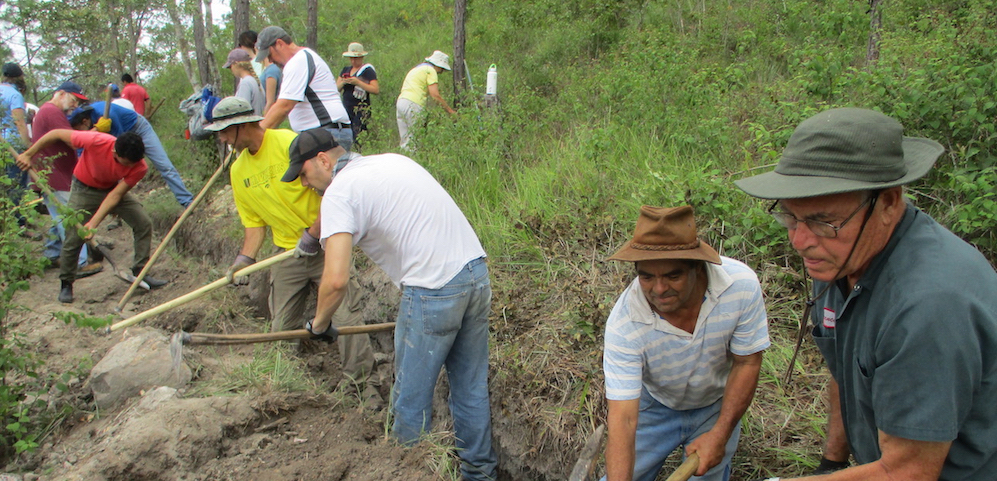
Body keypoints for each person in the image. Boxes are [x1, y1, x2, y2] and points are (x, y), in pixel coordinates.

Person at [734, 107, 997, 481]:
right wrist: (832, 462)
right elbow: (845, 368)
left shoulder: (928, 306)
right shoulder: (840, 257)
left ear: (888, 202)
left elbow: (909, 472)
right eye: (790, 216)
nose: (800, 241)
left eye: (823, 221)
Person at [283, 128, 497, 480]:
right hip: (475, 274)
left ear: (323, 160)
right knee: (470, 389)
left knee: (409, 401)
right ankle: (480, 475)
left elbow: (336, 280)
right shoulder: (390, 161)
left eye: (304, 174)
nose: (305, 184)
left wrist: (318, 324)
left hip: (433, 290)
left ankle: (410, 472)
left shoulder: (338, 193)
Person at [203, 97, 379, 401]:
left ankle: (362, 387)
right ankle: (284, 383)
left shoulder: (291, 145)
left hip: (327, 244)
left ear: (241, 125)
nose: (220, 138)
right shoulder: (238, 170)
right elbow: (254, 224)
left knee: (347, 317)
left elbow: (335, 191)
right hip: (288, 254)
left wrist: (313, 235)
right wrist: (244, 258)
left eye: (223, 131)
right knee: (281, 326)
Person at [601, 205, 770, 481]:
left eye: (672, 276)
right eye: (646, 277)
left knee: (706, 474)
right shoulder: (625, 324)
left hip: (715, 403)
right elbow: (624, 419)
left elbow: (747, 362)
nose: (658, 289)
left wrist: (720, 432)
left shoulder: (740, 286)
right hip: (654, 406)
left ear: (697, 267)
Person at [17, 129, 168, 303]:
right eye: (124, 163)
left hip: (111, 189)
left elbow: (115, 196)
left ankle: (141, 271)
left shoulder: (139, 167)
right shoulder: (96, 141)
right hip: (84, 189)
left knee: (143, 223)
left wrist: (93, 223)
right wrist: (28, 154)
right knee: (73, 236)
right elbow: (55, 134)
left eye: (131, 164)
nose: (127, 168)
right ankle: (66, 282)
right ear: (114, 152)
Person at [22, 81, 99, 276]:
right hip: (55, 175)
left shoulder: (49, 112)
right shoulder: (52, 112)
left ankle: (52, 254)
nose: (75, 105)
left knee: (59, 216)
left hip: (54, 173)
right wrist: (96, 134)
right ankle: (77, 263)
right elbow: (73, 142)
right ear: (61, 94)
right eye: (74, 100)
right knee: (70, 218)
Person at [69, 101, 194, 208]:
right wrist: (96, 131)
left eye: (77, 129)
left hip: (138, 129)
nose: (77, 132)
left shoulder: (107, 114)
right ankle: (116, 211)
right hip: (121, 140)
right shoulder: (91, 126)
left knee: (164, 165)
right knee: (113, 172)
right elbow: (81, 151)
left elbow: (119, 145)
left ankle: (187, 202)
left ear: (84, 121)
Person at [254, 26, 353, 151]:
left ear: (279, 44)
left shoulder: (298, 61)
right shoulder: (304, 57)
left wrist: (256, 135)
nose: (270, 60)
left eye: (270, 54)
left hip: (326, 133)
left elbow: (284, 106)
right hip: (325, 132)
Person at [395, 50, 456, 150]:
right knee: (416, 139)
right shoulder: (430, 70)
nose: (441, 72)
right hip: (413, 104)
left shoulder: (417, 69)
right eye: (442, 69)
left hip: (401, 101)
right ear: (439, 65)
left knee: (405, 141)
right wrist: (449, 111)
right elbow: (435, 95)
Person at [2, 62, 31, 219]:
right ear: (18, 78)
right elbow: (19, 122)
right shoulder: (15, 95)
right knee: (17, 184)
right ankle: (18, 221)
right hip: (12, 146)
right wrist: (27, 147)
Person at [337, 42, 379, 144]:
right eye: (351, 58)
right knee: (345, 134)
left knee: (358, 134)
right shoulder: (345, 70)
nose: (353, 61)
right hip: (346, 108)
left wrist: (358, 83)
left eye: (355, 58)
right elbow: (336, 88)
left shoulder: (367, 71)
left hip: (361, 108)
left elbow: (375, 89)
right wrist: (343, 82)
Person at [224, 48, 265, 115]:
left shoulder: (245, 83)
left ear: (236, 64)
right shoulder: (255, 81)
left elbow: (242, 111)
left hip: (249, 124)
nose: (231, 70)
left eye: (230, 66)